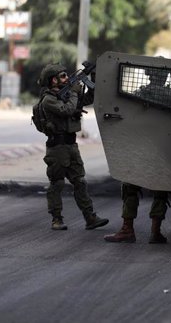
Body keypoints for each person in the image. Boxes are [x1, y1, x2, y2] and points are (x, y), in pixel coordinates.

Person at [38, 63, 109, 231]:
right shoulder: (49, 99)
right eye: (63, 76)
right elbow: (67, 110)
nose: (67, 78)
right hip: (57, 147)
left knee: (80, 182)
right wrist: (75, 92)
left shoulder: (68, 95)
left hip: (71, 145)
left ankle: (90, 217)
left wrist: (92, 79)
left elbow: (89, 99)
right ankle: (56, 219)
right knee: (57, 184)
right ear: (53, 80)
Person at [104, 68, 171, 244]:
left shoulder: (141, 93)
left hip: (141, 146)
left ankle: (128, 229)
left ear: (150, 76)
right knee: (161, 190)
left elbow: (125, 111)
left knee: (130, 187)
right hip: (163, 148)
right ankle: (155, 232)